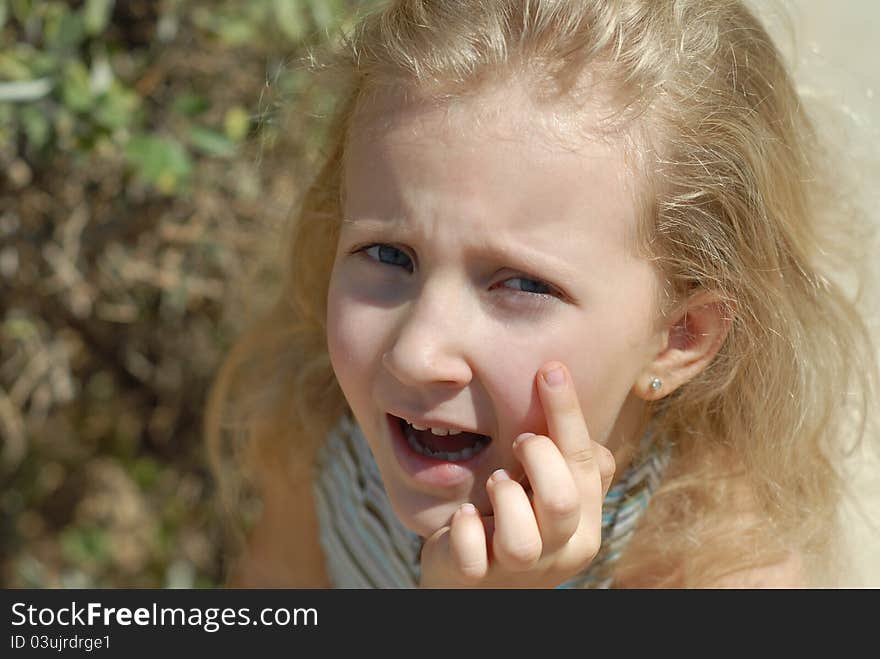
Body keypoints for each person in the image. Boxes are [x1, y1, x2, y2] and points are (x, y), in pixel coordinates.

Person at [205, 0, 879, 588]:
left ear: (680, 335)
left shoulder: (712, 565)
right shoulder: (329, 441)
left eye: (521, 284)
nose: (416, 352)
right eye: (388, 254)